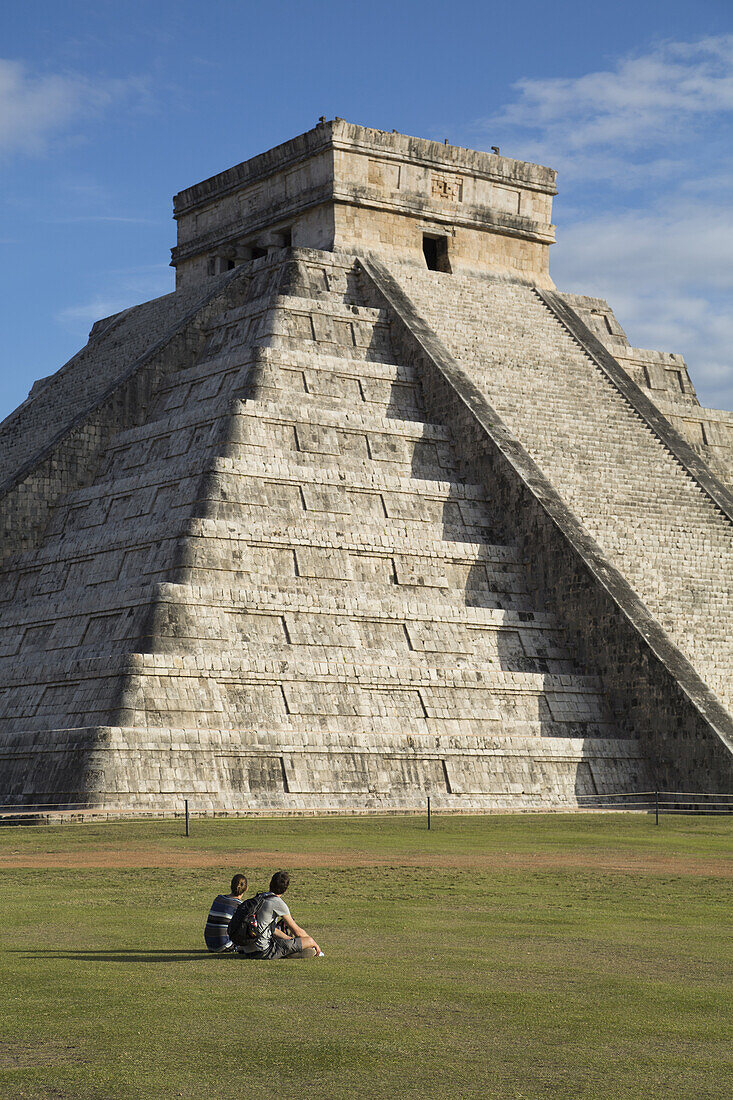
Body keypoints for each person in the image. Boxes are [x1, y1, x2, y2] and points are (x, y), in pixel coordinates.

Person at [236, 870, 322, 959]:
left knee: (292, 942)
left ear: (270, 883)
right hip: (263, 951)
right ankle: (290, 951)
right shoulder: (277, 902)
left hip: (248, 950)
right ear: (285, 889)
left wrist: (291, 940)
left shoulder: (259, 898)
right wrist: (311, 942)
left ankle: (290, 950)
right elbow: (296, 931)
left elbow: (273, 930)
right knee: (308, 940)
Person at [204, 873, 248, 952]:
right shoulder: (239, 905)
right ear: (246, 888)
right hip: (224, 945)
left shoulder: (218, 898)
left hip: (209, 944)